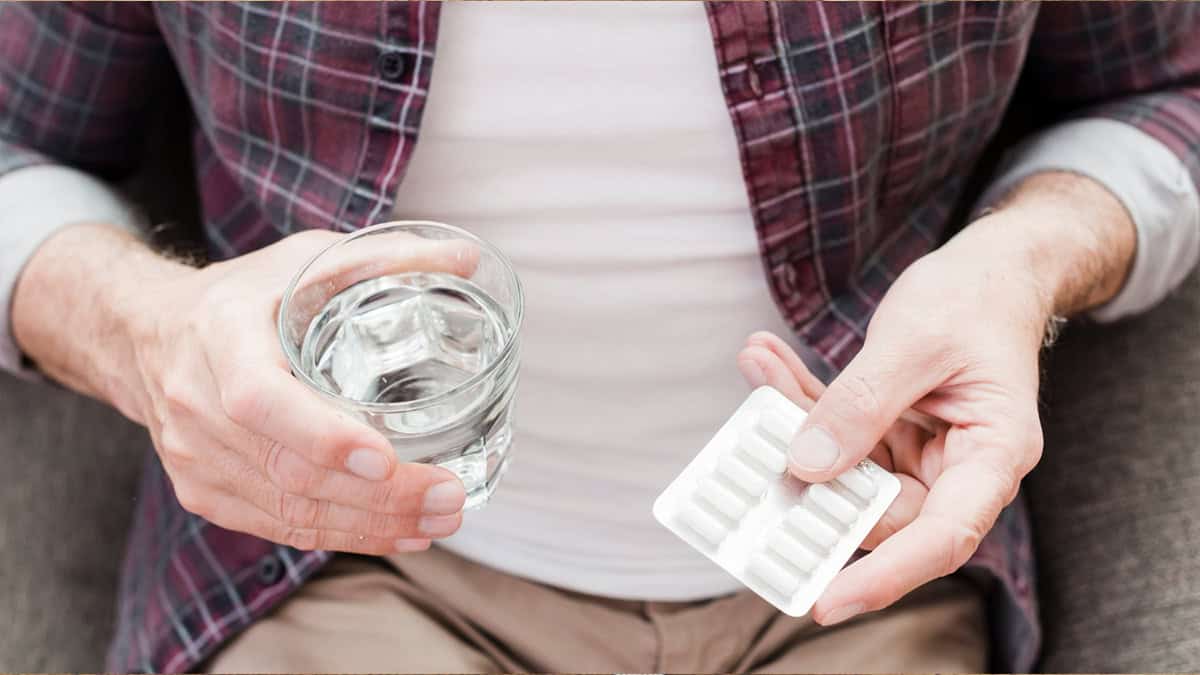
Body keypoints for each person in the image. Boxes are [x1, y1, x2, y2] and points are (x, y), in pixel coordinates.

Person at [2, 1, 1198, 672]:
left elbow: (1172, 91)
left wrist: (1030, 256)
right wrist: (146, 332)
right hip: (335, 575)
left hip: (859, 555)